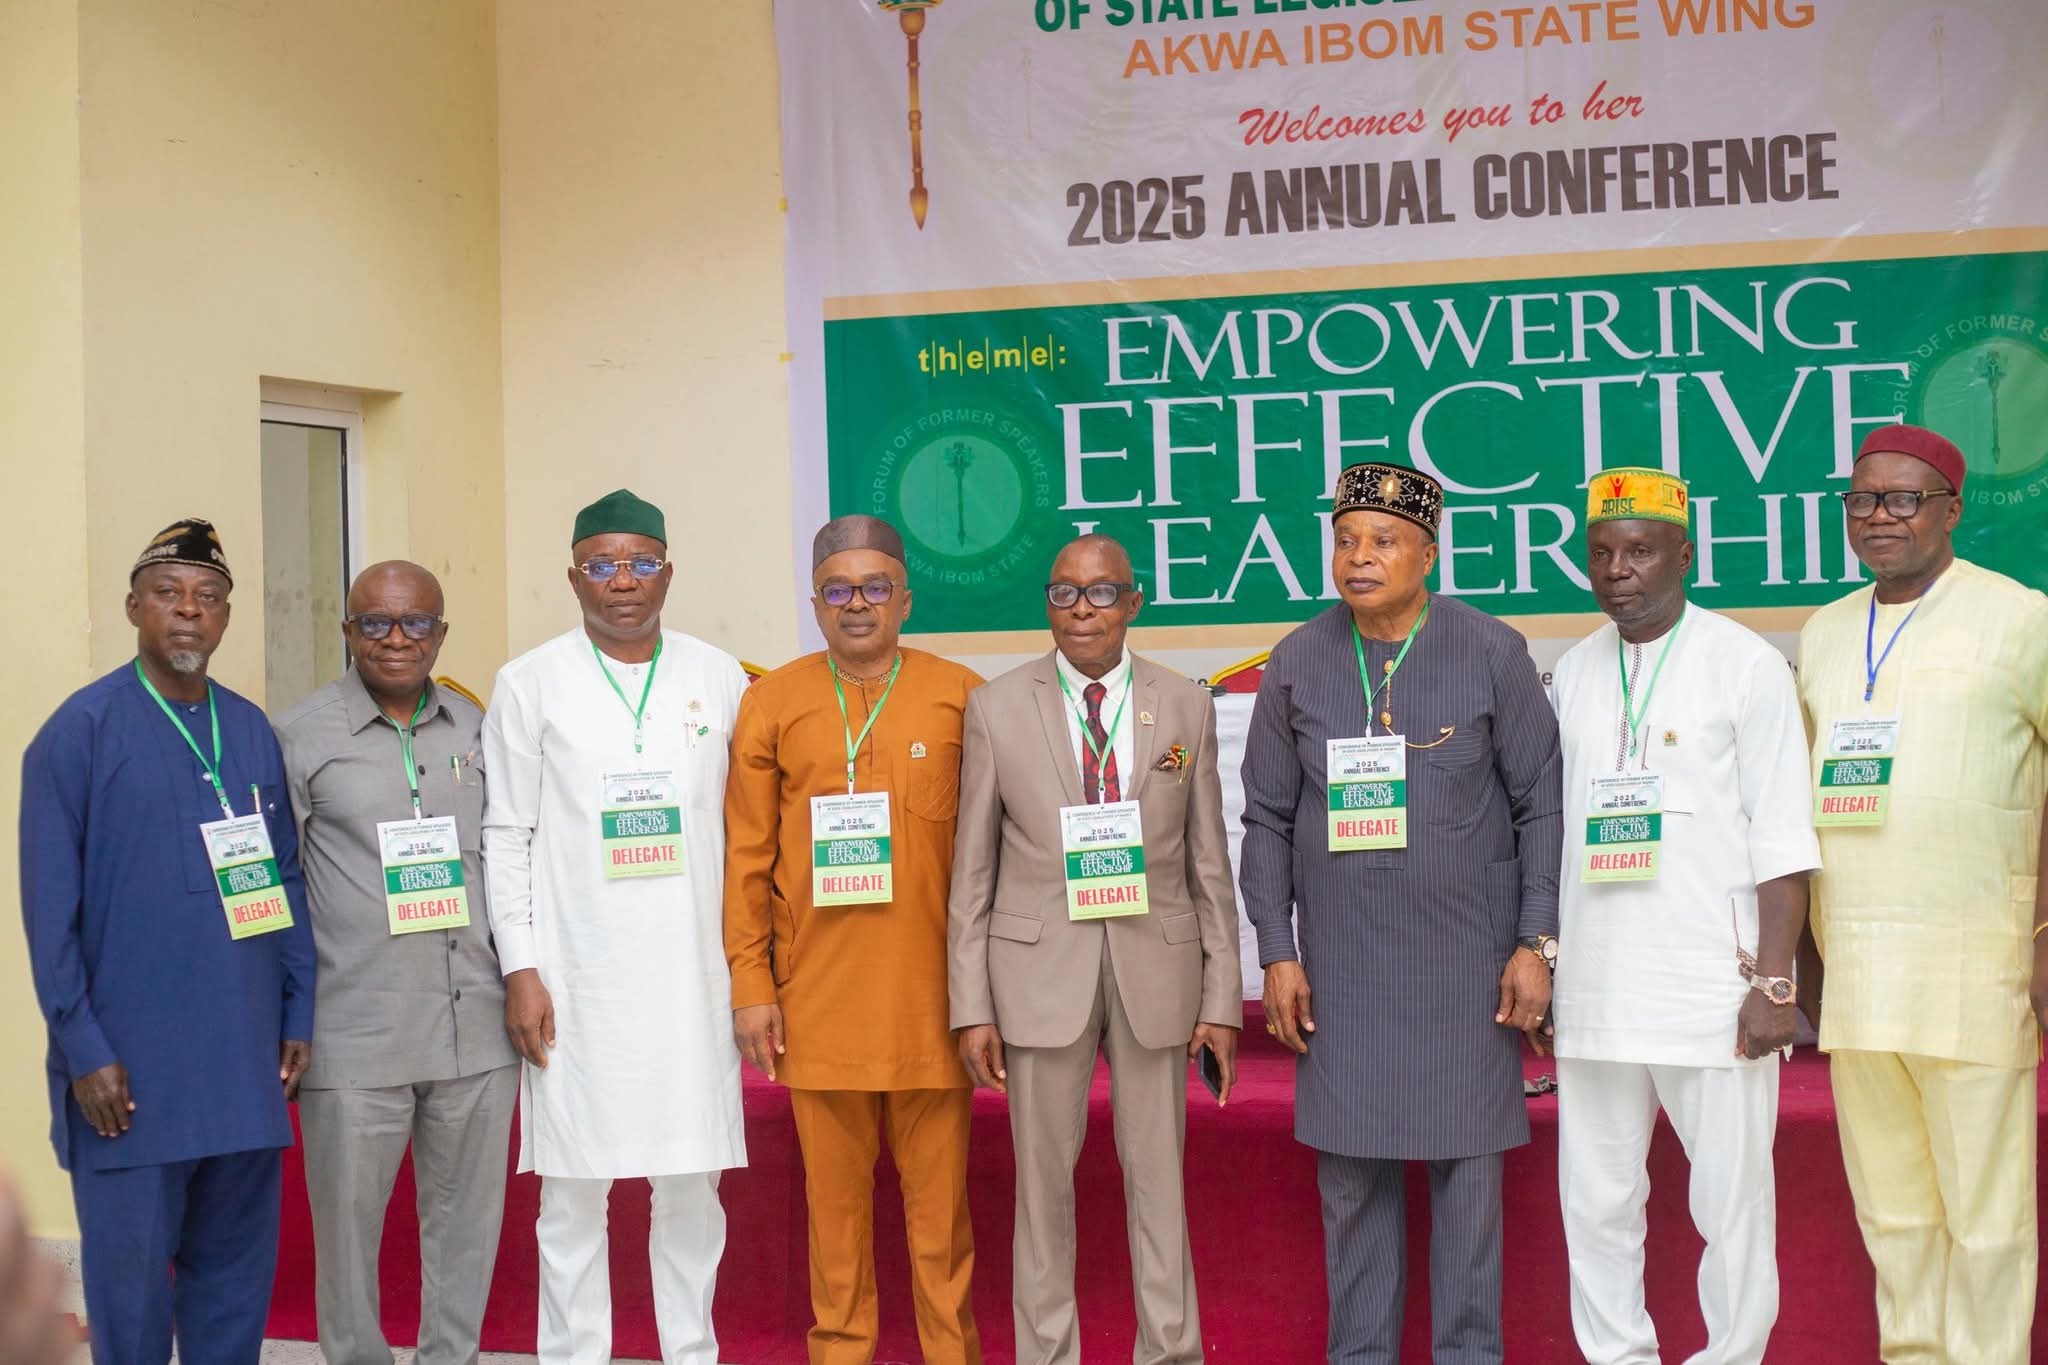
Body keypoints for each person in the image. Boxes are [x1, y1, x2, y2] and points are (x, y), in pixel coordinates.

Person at [1237, 464, 1562, 1365]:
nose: (1359, 557)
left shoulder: (1490, 649)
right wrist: (1276, 949)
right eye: (1345, 540)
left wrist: (1536, 942)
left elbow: (1542, 804)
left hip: (1467, 975)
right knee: (1354, 1194)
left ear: (1428, 552)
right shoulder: (1299, 659)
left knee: (1469, 1196)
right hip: (1343, 975)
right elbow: (1264, 815)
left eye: (1382, 541)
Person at [19, 518, 315, 1364]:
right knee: (133, 1311)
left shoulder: (251, 729)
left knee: (231, 1307)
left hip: (245, 1075)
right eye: (168, 594)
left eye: (208, 597)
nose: (189, 611)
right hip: (129, 1085)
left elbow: (284, 879)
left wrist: (299, 1006)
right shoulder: (79, 734)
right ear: (133, 608)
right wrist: (82, 1048)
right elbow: (49, 914)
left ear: (226, 618)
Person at [950, 533, 1241, 1365]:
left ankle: (1171, 1351)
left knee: (1161, 1187)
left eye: (1102, 592)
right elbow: (972, 871)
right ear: (1047, 603)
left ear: (1135, 600)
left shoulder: (1183, 703)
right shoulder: (996, 705)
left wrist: (1222, 996)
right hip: (1037, 977)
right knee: (1041, 1196)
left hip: (1159, 969)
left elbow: (1208, 860)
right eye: (1064, 593)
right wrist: (970, 1003)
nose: (1082, 609)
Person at [1549, 469, 1819, 1364]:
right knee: (1596, 1201)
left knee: (1733, 1206)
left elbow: (1784, 841)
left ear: (1685, 554)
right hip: (1595, 990)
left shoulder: (1745, 665)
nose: (1617, 570)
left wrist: (1775, 982)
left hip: (1716, 989)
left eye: (1639, 551)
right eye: (1601, 553)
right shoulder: (1575, 671)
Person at [1798, 424, 2048, 1365]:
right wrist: (1805, 962)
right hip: (1860, 975)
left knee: (1986, 1219)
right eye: (1863, 499)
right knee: (1895, 1212)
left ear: (1952, 507)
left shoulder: (2021, 617)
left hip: (1975, 964)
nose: (1879, 517)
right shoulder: (1824, 631)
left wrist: (2044, 938)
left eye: (1903, 499)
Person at [482, 489, 748, 1365]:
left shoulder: (720, 677)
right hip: (575, 978)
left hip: (690, 977)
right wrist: (521, 966)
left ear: (669, 571)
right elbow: (506, 833)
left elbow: (749, 832)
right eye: (602, 564)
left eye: (639, 563)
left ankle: (692, 1350)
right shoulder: (530, 681)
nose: (622, 581)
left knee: (690, 1187)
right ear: (574, 576)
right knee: (570, 1194)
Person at [724, 514, 983, 1365]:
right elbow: (747, 856)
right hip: (817, 1002)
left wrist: (988, 995)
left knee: (940, 1220)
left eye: (876, 587)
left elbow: (999, 858)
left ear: (907, 597)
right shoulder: (774, 700)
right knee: (834, 1224)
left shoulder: (961, 695)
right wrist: (752, 984)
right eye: (839, 590)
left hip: (932, 1003)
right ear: (815, 603)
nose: (858, 604)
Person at [274, 560, 517, 1365]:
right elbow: (273, 887)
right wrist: (283, 1013)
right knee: (347, 1244)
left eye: (416, 622)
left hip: (474, 1027)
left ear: (441, 633)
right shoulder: (301, 736)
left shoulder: (481, 728)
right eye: (375, 622)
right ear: (348, 633)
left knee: (467, 1233)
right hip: (354, 1032)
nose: (396, 638)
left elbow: (515, 856)